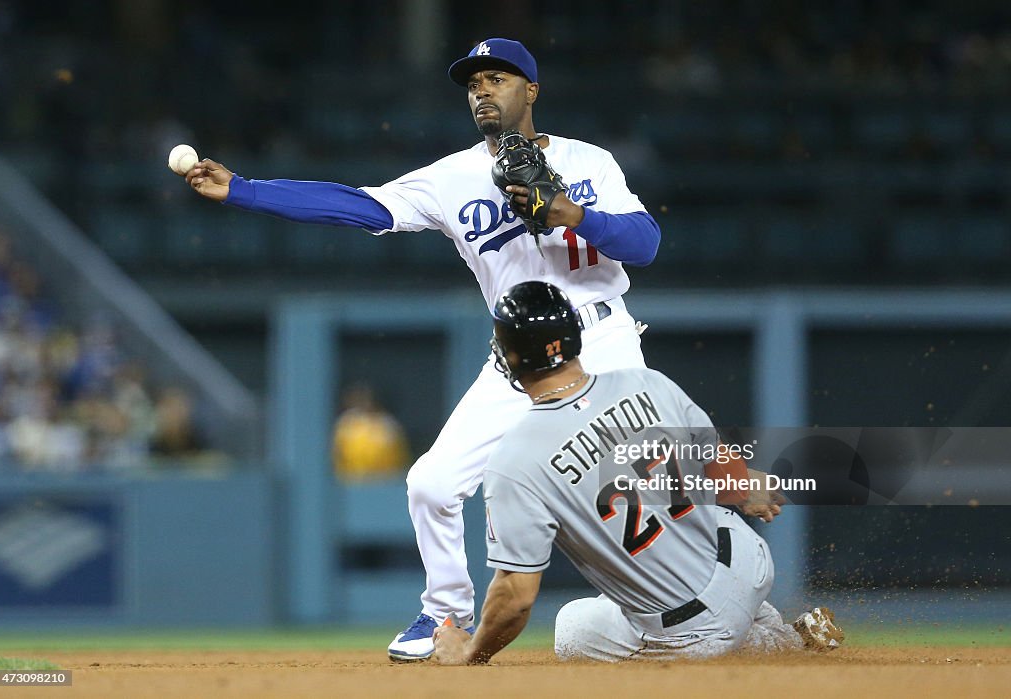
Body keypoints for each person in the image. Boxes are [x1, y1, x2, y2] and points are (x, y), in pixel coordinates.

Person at [184, 38, 661, 661]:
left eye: (498, 77)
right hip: (516, 358)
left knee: (647, 486)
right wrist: (246, 191)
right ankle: (443, 616)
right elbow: (359, 206)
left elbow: (645, 243)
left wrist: (570, 212)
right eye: (473, 82)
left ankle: (735, 608)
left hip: (600, 337)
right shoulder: (450, 177)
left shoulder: (587, 161)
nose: (483, 90)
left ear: (532, 91)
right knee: (432, 484)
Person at [434, 281, 844, 664]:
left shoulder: (514, 460)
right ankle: (761, 618)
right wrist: (744, 486)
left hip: (695, 626)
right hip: (749, 558)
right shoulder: (648, 382)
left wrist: (470, 652)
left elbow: (516, 598)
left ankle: (783, 641)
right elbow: (724, 471)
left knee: (573, 629)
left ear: (512, 357)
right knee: (655, 562)